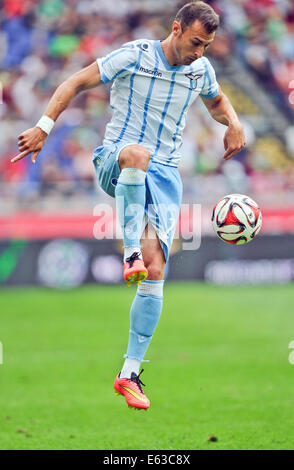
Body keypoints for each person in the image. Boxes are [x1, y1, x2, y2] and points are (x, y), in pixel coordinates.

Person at [12, 1, 245, 411]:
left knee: (157, 271)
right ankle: (130, 250)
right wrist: (43, 126)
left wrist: (236, 124)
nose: (199, 53)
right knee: (137, 154)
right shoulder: (134, 55)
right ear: (175, 28)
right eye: (194, 42)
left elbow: (218, 102)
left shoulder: (200, 70)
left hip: (166, 176)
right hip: (115, 159)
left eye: (206, 46)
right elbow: (75, 82)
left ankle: (130, 372)